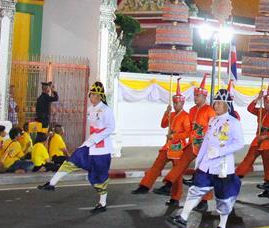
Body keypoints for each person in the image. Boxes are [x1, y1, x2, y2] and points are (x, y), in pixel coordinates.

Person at [168, 86, 245, 228]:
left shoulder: (234, 122)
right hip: (207, 165)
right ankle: (183, 217)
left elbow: (239, 143)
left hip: (223, 167)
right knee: (196, 190)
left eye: (219, 103)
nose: (215, 105)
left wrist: (220, 151)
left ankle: (222, 225)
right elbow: (206, 142)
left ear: (227, 105)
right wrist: (199, 159)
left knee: (223, 198)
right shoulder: (212, 120)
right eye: (215, 102)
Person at [38, 82, 115, 213]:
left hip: (102, 150)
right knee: (72, 160)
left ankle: (102, 203)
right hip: (89, 145)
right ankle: (52, 183)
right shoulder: (90, 109)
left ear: (100, 96)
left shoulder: (107, 110)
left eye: (94, 95)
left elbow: (111, 128)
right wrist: (90, 140)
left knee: (98, 178)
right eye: (91, 95)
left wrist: (96, 138)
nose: (92, 97)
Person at [161, 75, 214, 209]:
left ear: (204, 97)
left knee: (204, 173)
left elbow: (214, 128)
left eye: (198, 96)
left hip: (205, 146)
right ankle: (168, 184)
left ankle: (204, 202)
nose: (195, 98)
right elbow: (188, 127)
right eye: (195, 95)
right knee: (180, 165)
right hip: (192, 144)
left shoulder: (209, 110)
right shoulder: (192, 110)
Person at [134, 82, 190, 199]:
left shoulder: (186, 116)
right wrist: (166, 112)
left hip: (178, 147)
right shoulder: (172, 114)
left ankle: (175, 197)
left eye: (177, 103)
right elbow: (163, 125)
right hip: (168, 146)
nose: (175, 105)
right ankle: (144, 186)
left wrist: (175, 136)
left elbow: (188, 133)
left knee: (177, 173)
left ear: (183, 103)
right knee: (156, 165)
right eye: (174, 103)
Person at [235, 82, 269, 183]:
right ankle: (237, 175)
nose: (266, 104)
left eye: (268, 102)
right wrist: (258, 98)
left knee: (267, 164)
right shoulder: (261, 111)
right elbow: (250, 108)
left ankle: (268, 184)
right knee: (249, 158)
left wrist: (265, 136)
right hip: (258, 140)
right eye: (265, 102)